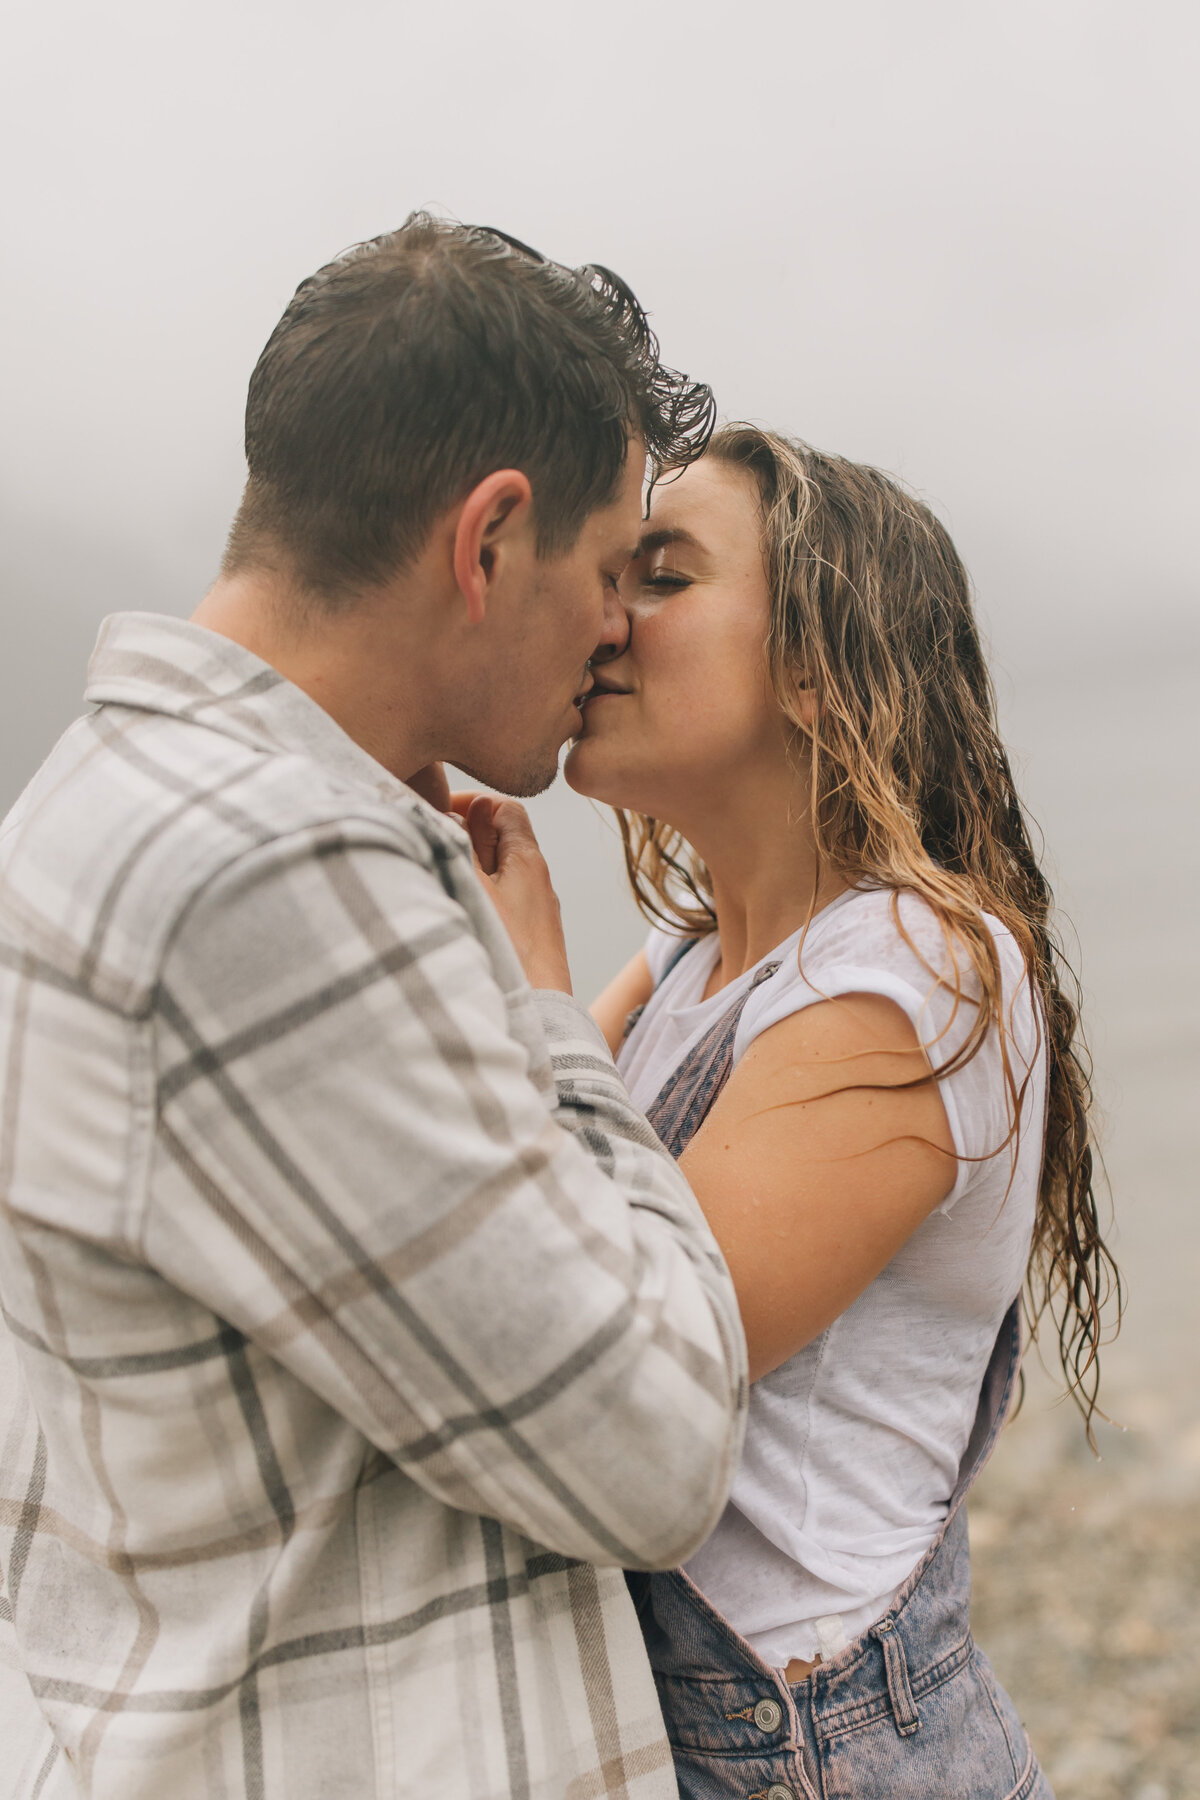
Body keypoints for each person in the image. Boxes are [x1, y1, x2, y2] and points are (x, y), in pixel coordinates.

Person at [0, 216, 750, 1799]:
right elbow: (662, 1447)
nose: (620, 631)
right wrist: (554, 1019)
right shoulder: (266, 874)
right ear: (487, 542)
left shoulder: (91, 799)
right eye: (614, 570)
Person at [485, 427, 1120, 1798]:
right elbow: (493, 1198)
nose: (607, 616)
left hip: (823, 1752)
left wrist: (533, 982)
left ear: (821, 669)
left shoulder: (923, 965)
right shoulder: (692, 961)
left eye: (665, 575)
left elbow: (633, 1356)